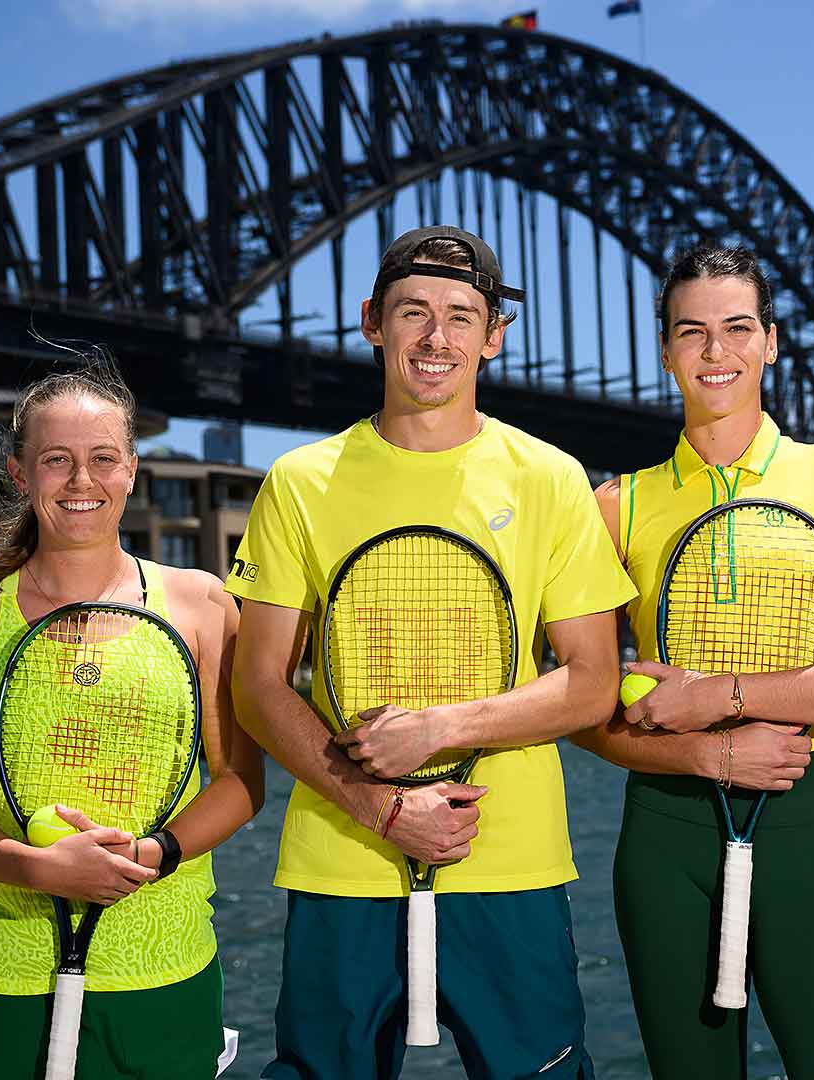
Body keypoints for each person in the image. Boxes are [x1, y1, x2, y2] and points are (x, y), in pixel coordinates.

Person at [226, 225, 635, 1079]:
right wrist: (377, 804)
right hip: (344, 858)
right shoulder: (301, 479)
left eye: (461, 315)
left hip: (507, 858)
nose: (436, 337)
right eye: (413, 312)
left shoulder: (550, 477)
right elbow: (259, 686)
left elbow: (594, 684)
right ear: (373, 322)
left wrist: (439, 728)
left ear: (494, 335)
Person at [570, 244, 814, 1079]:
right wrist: (703, 747)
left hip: (805, 816)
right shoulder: (616, 505)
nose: (715, 352)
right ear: (664, 351)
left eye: (737, 328)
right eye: (691, 332)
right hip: (664, 829)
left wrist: (718, 696)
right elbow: (582, 707)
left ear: (772, 341)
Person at [0, 356, 263, 1077]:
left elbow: (241, 783)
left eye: (103, 459)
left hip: (161, 968)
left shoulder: (201, 605)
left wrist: (155, 854)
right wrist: (37, 870)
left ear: (132, 468)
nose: (81, 482)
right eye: (56, 461)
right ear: (19, 471)